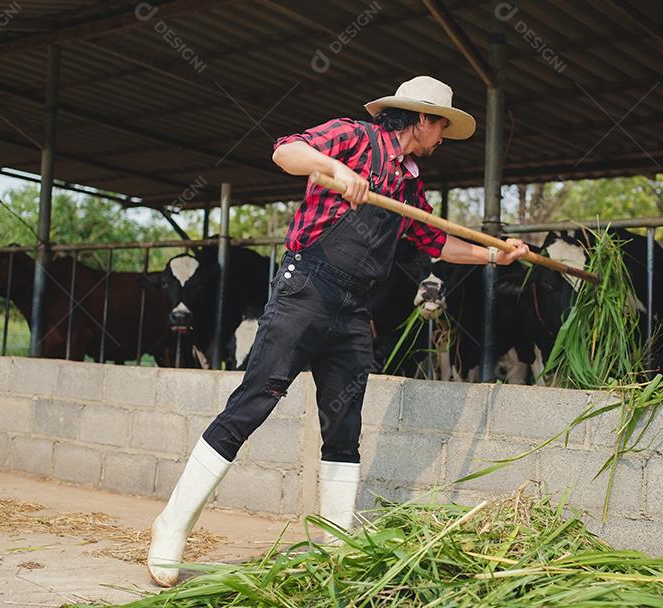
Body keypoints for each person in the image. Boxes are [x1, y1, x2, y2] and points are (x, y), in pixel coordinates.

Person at [147, 75, 530, 587]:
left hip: (353, 309)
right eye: (442, 125)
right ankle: (171, 526)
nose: (443, 137)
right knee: (253, 403)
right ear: (421, 119)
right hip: (306, 289)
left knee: (345, 426)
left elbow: (434, 244)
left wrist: (492, 255)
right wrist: (332, 168)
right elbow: (285, 151)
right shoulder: (353, 137)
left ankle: (336, 549)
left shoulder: (410, 187)